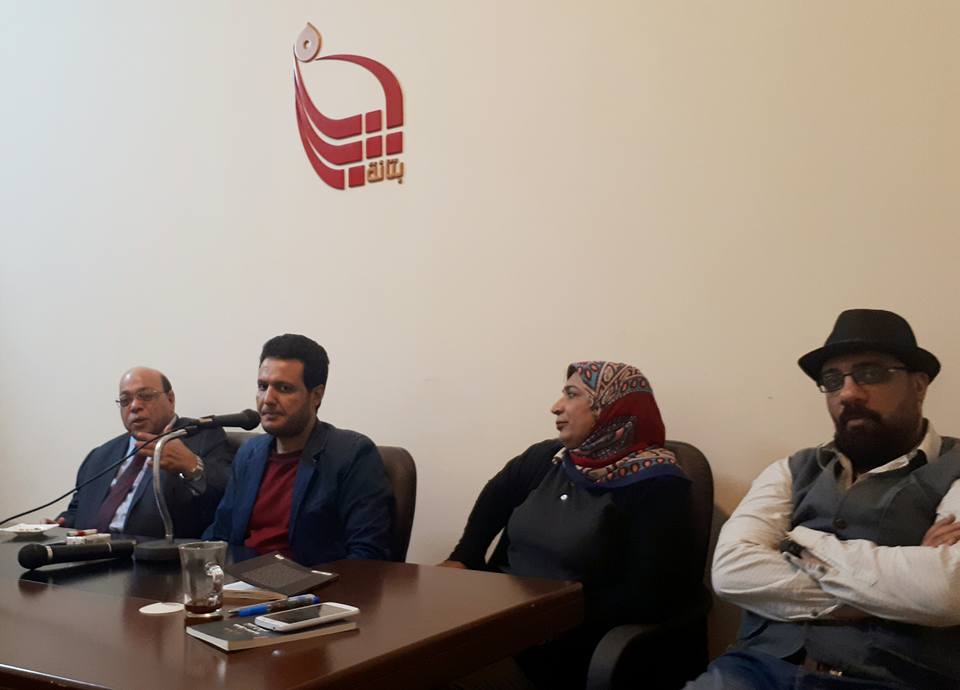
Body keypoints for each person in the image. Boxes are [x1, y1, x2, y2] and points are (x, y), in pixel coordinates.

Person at [689, 309, 960, 689]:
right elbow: (732, 571)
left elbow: (947, 590)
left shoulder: (955, 468)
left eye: (870, 373)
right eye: (833, 380)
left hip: (894, 680)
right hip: (754, 671)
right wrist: (896, 590)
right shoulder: (789, 470)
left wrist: (800, 544)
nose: (848, 393)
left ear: (919, 385)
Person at [442, 361, 697, 690]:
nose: (556, 406)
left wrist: (544, 616)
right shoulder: (547, 458)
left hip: (569, 643)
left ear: (610, 406)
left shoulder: (658, 484)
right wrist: (464, 557)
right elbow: (495, 496)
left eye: (571, 394)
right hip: (501, 622)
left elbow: (648, 596)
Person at [205, 334, 393, 565]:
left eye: (284, 388)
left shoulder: (352, 454)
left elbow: (367, 554)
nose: (268, 399)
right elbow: (220, 535)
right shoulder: (249, 453)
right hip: (241, 580)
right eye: (263, 386)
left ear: (316, 395)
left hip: (311, 584)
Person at [57, 367, 234, 538]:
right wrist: (59, 525)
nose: (134, 406)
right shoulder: (99, 456)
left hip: (154, 553)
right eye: (125, 400)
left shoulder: (202, 437)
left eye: (146, 396)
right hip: (90, 551)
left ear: (170, 399)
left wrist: (192, 466)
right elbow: (77, 510)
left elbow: (228, 496)